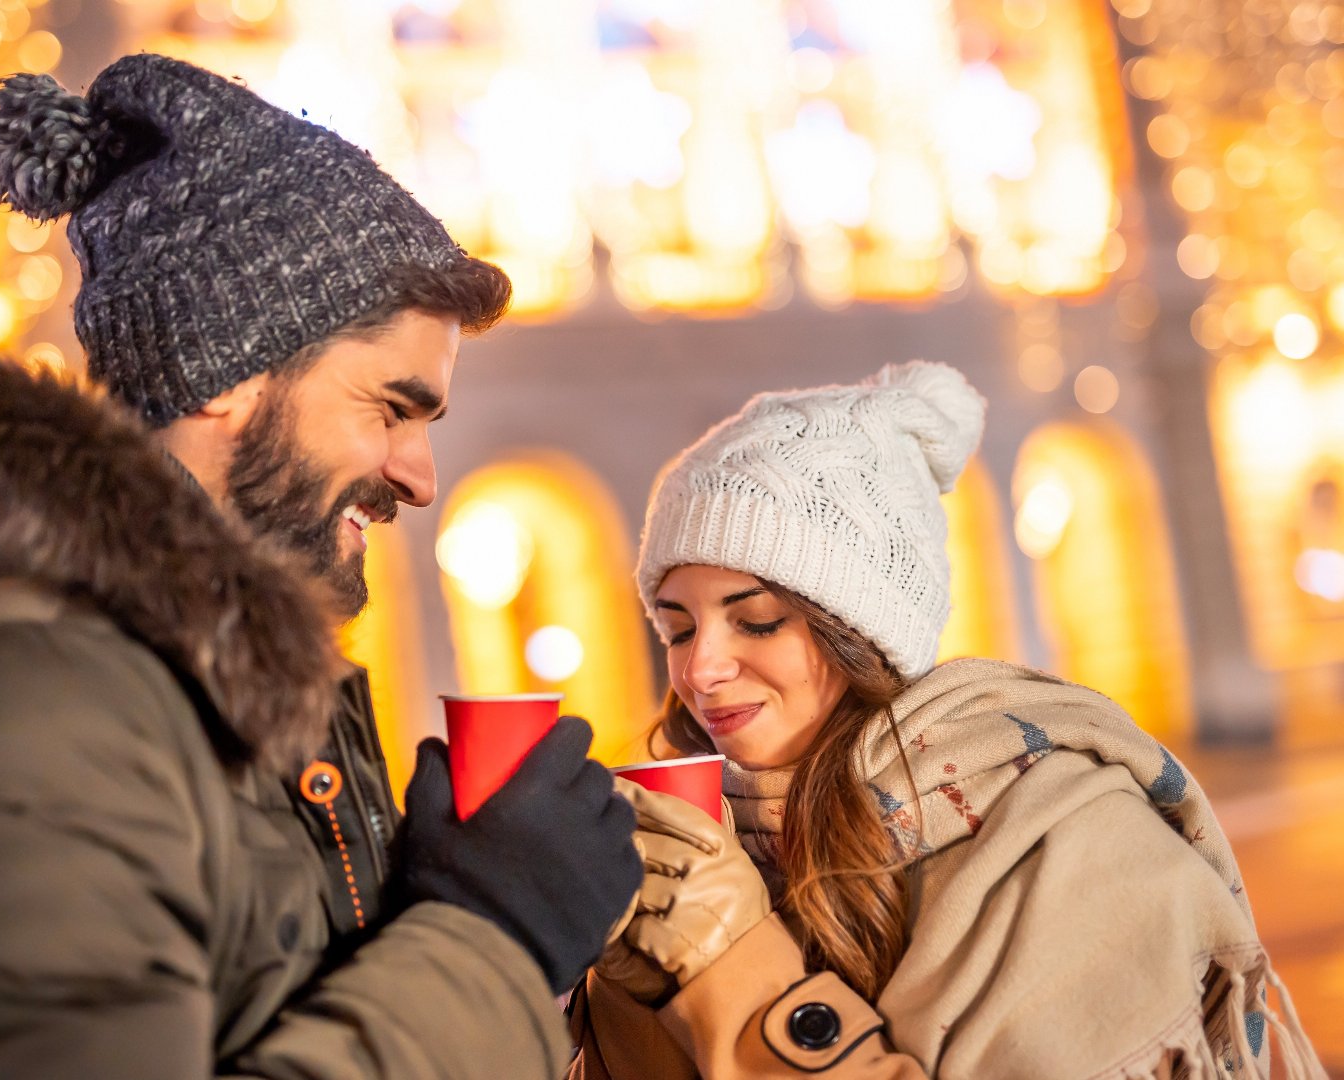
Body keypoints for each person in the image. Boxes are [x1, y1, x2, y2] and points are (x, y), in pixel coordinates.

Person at [0, 52, 640, 1080]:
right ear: (226, 375)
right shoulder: (35, 695)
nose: (420, 477)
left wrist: (411, 909)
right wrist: (491, 938)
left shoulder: (214, 680)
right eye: (390, 408)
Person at [569, 361, 1327, 1079]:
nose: (700, 670)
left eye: (758, 620)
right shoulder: (693, 847)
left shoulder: (1064, 839)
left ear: (861, 630)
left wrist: (726, 967)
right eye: (676, 630)